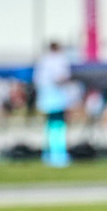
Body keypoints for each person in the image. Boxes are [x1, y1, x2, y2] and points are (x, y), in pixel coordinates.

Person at [34, 39, 77, 167]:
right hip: (56, 98)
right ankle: (58, 154)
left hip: (48, 98)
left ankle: (50, 152)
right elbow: (60, 77)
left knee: (50, 125)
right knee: (58, 126)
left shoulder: (43, 60)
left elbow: (38, 80)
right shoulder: (59, 60)